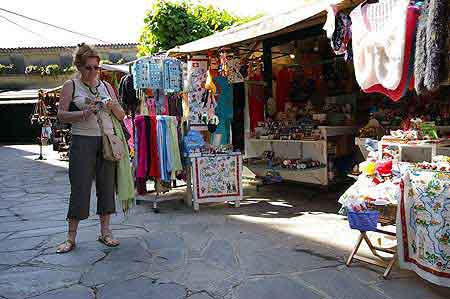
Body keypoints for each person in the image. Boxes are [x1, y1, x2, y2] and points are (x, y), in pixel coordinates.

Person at [56, 43, 125, 253]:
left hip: (106, 139)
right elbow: (61, 115)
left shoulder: (106, 86)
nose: (93, 71)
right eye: (89, 67)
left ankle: (105, 233)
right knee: (80, 187)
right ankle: (71, 237)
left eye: (97, 67)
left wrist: (112, 105)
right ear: (79, 66)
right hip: (81, 141)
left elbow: (121, 116)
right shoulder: (71, 85)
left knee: (106, 187)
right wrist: (83, 113)